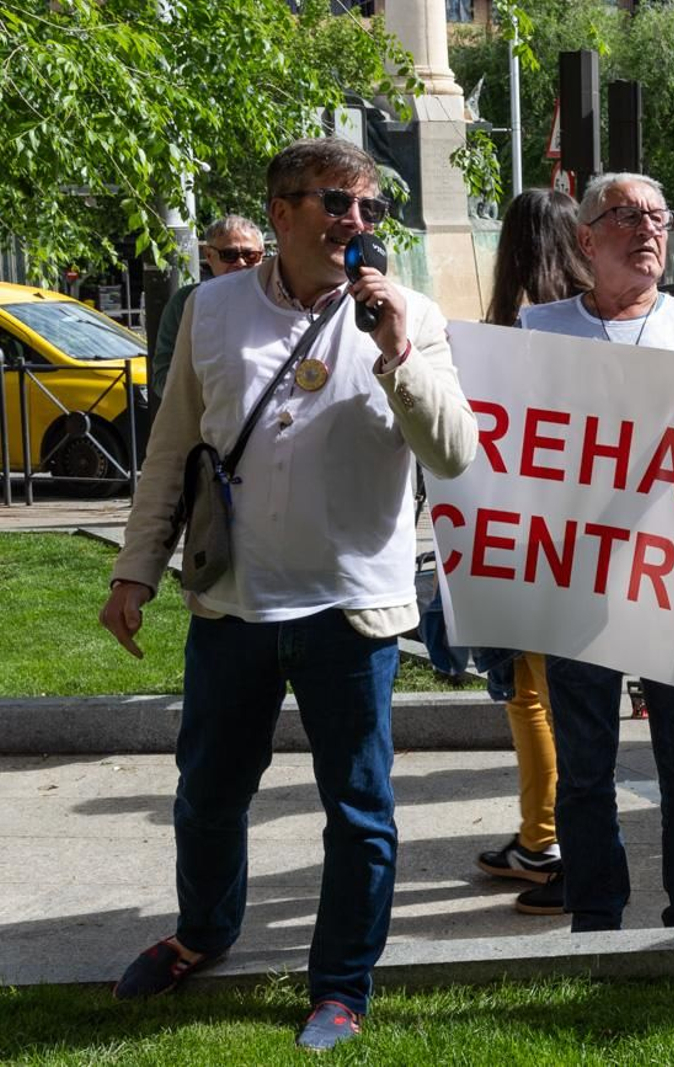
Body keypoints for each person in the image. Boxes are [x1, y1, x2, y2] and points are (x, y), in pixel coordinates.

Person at [98, 138, 477, 1049]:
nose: (357, 223)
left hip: (354, 611)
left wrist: (395, 353)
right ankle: (204, 933)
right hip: (235, 602)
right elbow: (173, 450)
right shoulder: (214, 308)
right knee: (208, 794)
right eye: (337, 204)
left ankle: (341, 985)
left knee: (358, 811)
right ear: (280, 213)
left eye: (369, 209)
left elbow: (456, 452)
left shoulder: (411, 314)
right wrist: (134, 567)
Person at [517, 172, 674, 933]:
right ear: (585, 238)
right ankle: (596, 912)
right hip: (577, 579)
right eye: (626, 216)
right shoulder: (538, 331)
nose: (648, 230)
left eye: (659, 217)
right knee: (586, 768)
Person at [473, 189, 594, 916]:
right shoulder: (591, 321)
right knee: (570, 697)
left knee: (531, 695)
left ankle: (545, 835)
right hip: (595, 541)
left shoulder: (510, 331)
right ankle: (552, 834)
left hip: (531, 545)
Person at [150, 216, 266, 398]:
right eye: (229, 255)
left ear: (262, 256)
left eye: (250, 255)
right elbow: (162, 379)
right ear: (209, 256)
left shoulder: (279, 300)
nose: (240, 263)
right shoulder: (187, 302)